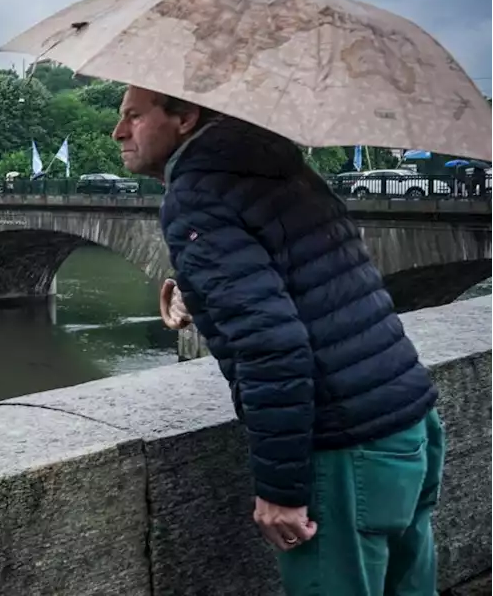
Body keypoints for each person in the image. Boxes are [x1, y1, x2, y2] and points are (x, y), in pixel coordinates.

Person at [114, 85, 445, 596]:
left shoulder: (197, 195)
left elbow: (273, 345)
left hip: (345, 451)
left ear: (184, 119)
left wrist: (282, 491)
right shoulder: (278, 166)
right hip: (408, 424)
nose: (118, 132)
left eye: (133, 116)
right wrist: (195, 290)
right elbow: (311, 279)